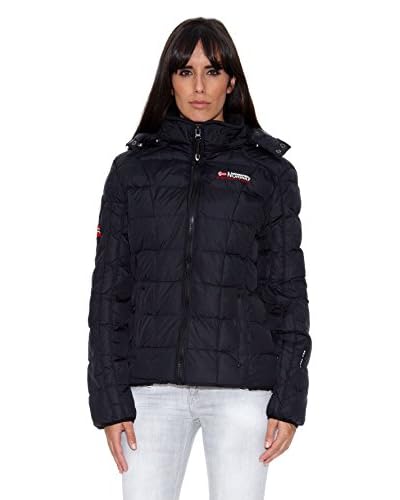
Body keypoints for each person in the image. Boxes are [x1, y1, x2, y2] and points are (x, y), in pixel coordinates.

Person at [87, 16, 311, 500]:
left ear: (232, 80)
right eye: (185, 71)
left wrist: (290, 398)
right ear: (169, 80)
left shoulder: (269, 173)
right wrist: (108, 398)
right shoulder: (131, 172)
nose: (199, 87)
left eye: (212, 71)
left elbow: (288, 291)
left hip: (242, 391)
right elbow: (109, 291)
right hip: (149, 394)